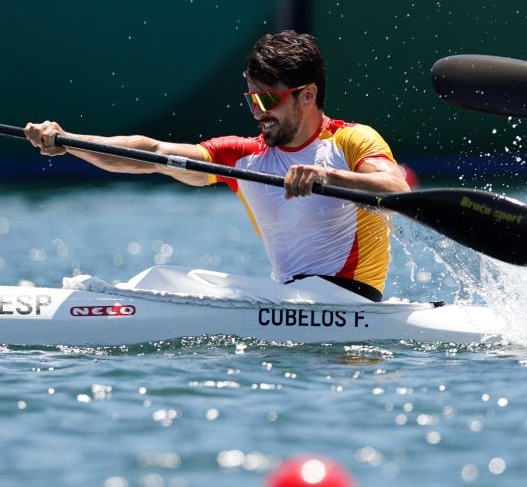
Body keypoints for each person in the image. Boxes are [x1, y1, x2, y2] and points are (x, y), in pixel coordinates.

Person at [24, 30, 410, 301]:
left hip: (350, 303)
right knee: (163, 278)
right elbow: (151, 155)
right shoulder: (242, 156)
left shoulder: (351, 140)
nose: (258, 113)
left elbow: (396, 189)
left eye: (267, 101)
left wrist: (326, 175)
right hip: (290, 302)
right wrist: (69, 141)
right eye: (252, 101)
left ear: (307, 95)